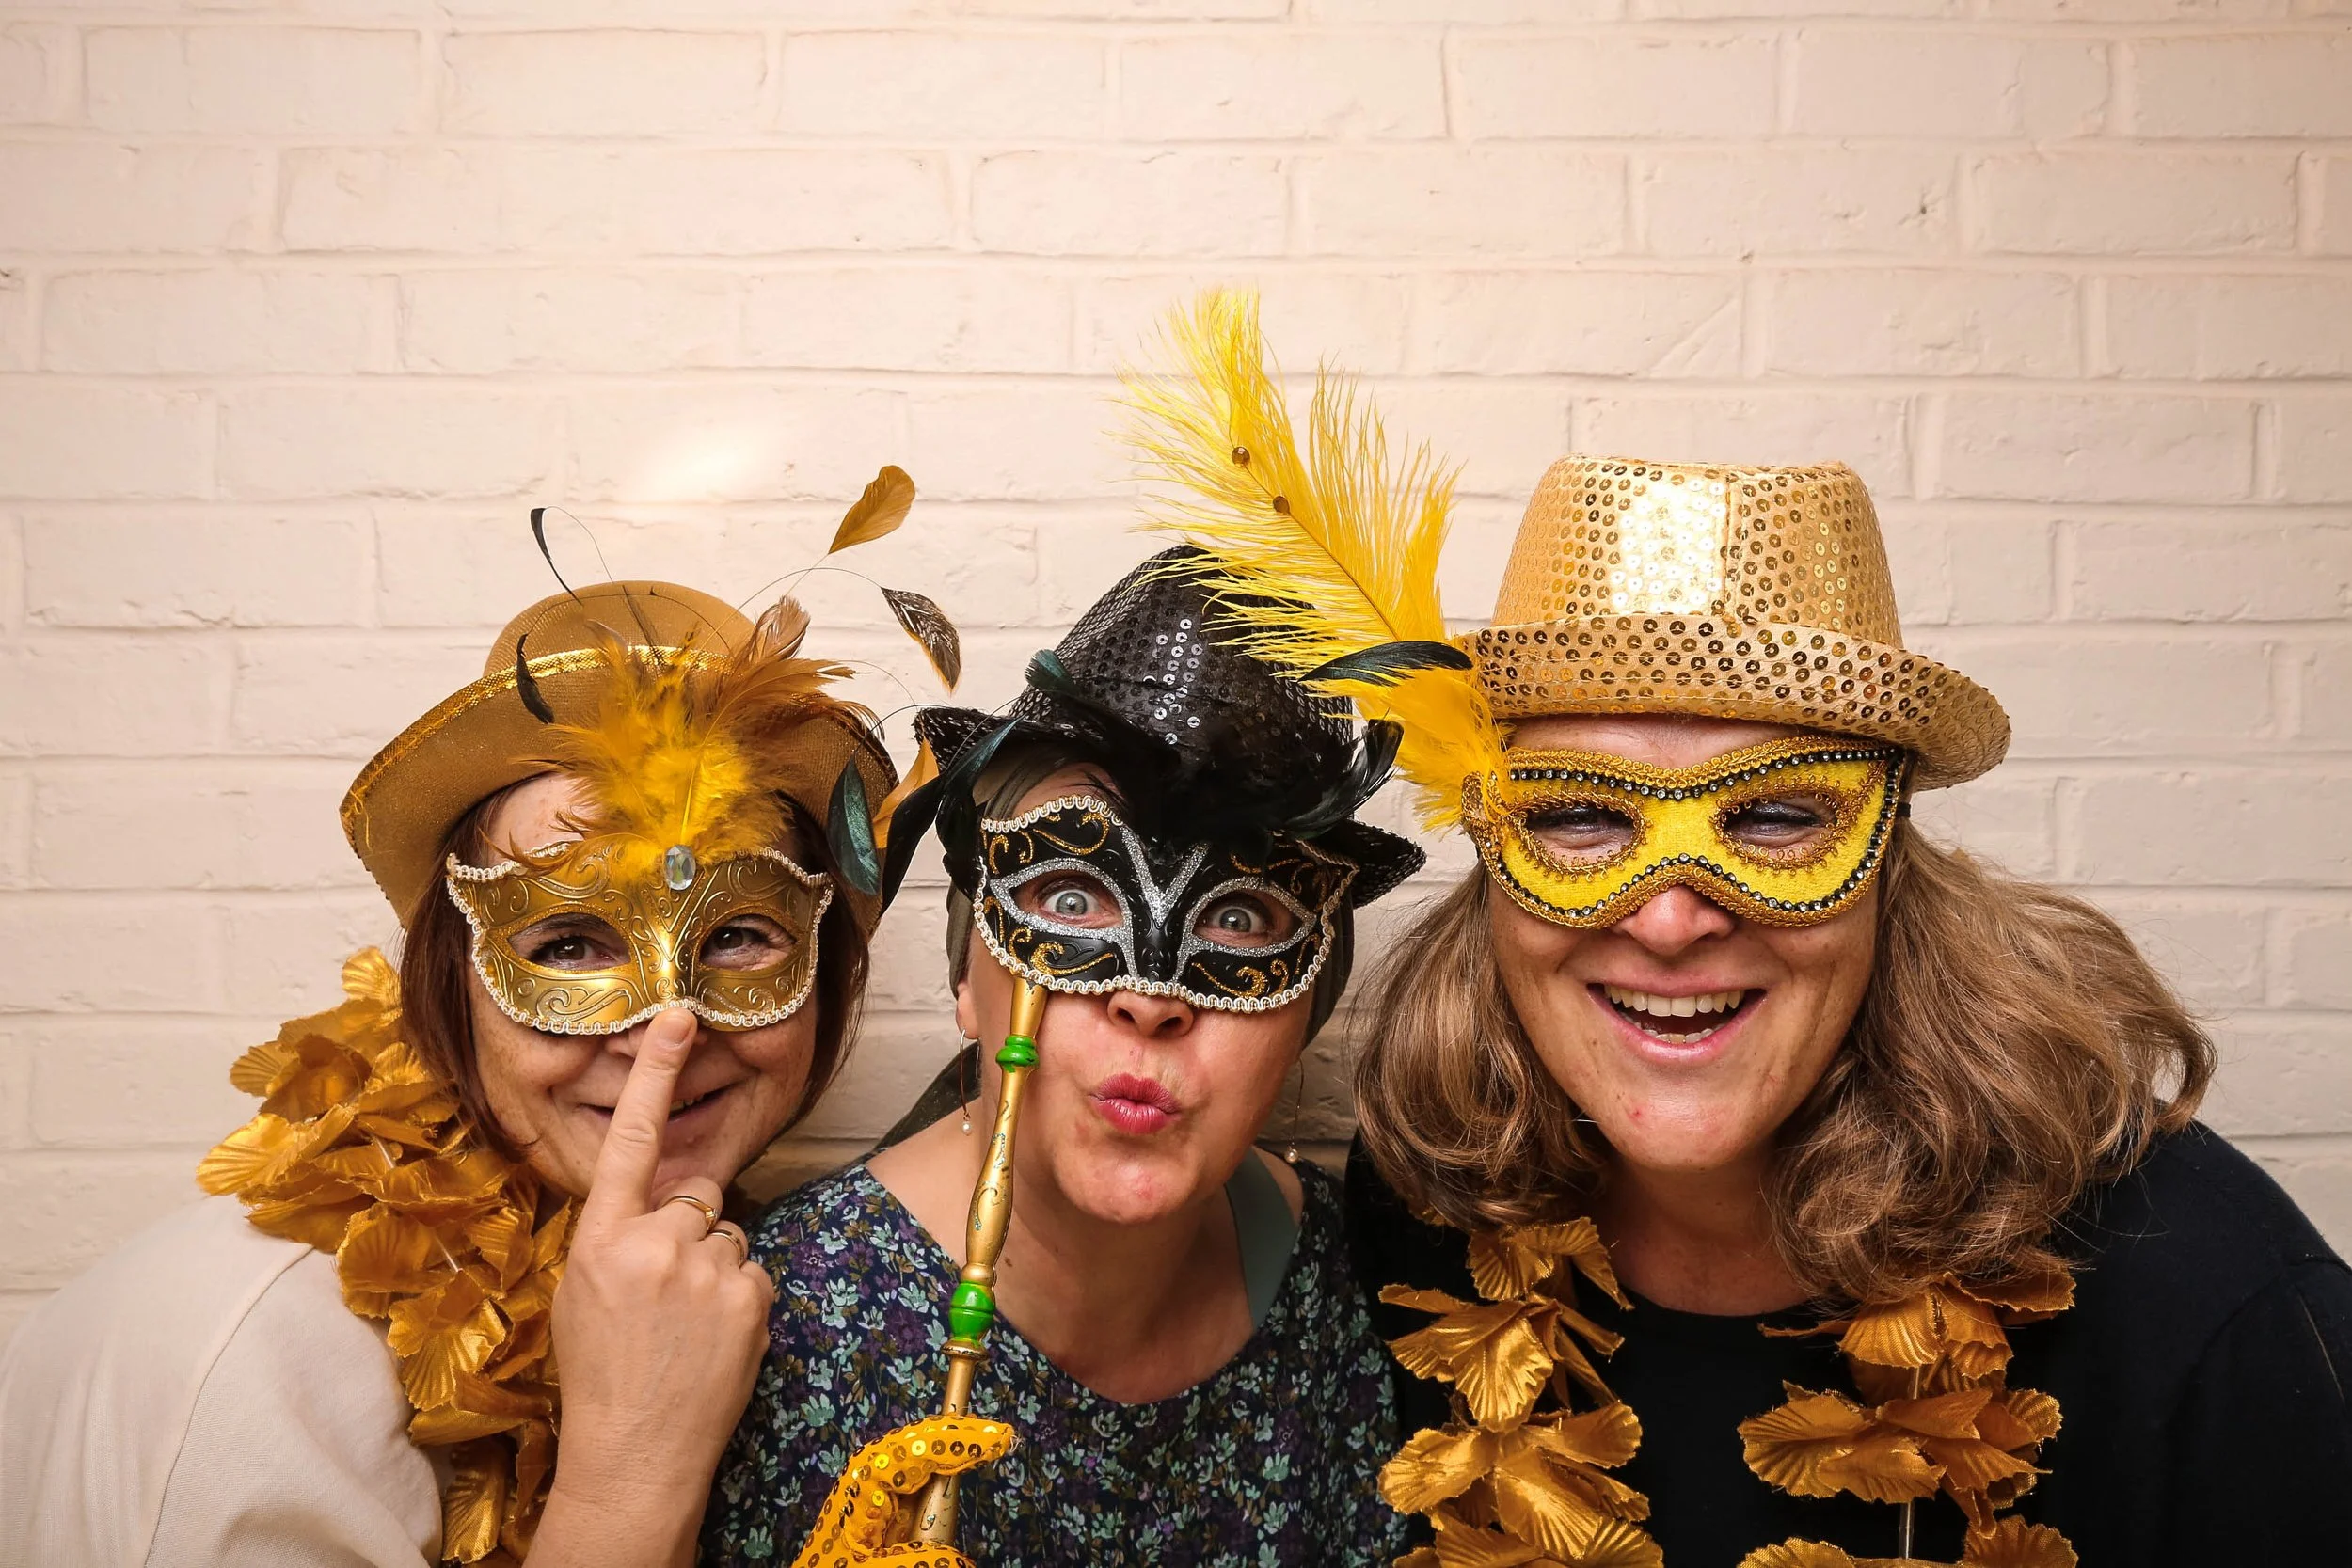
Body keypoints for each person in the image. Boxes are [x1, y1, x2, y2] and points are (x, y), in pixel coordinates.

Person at [1143, 296, 2352, 1568]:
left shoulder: (2203, 1297)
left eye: (1776, 817)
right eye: (1582, 818)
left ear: (1889, 853)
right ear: (1489, 839)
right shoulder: (1418, 1217)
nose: (1669, 917)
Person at [0, 567, 1001, 1568]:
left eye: (738, 933)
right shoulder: (249, 1365)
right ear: (452, 977)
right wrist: (626, 1477)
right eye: (567, 944)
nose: (669, 1029)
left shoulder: (731, 1290)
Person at [702, 547, 1423, 1567]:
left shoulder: (1369, 1277)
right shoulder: (787, 1318)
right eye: (1072, 899)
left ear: (1305, 1012)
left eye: (1240, 916)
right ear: (965, 979)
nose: (1150, 999)